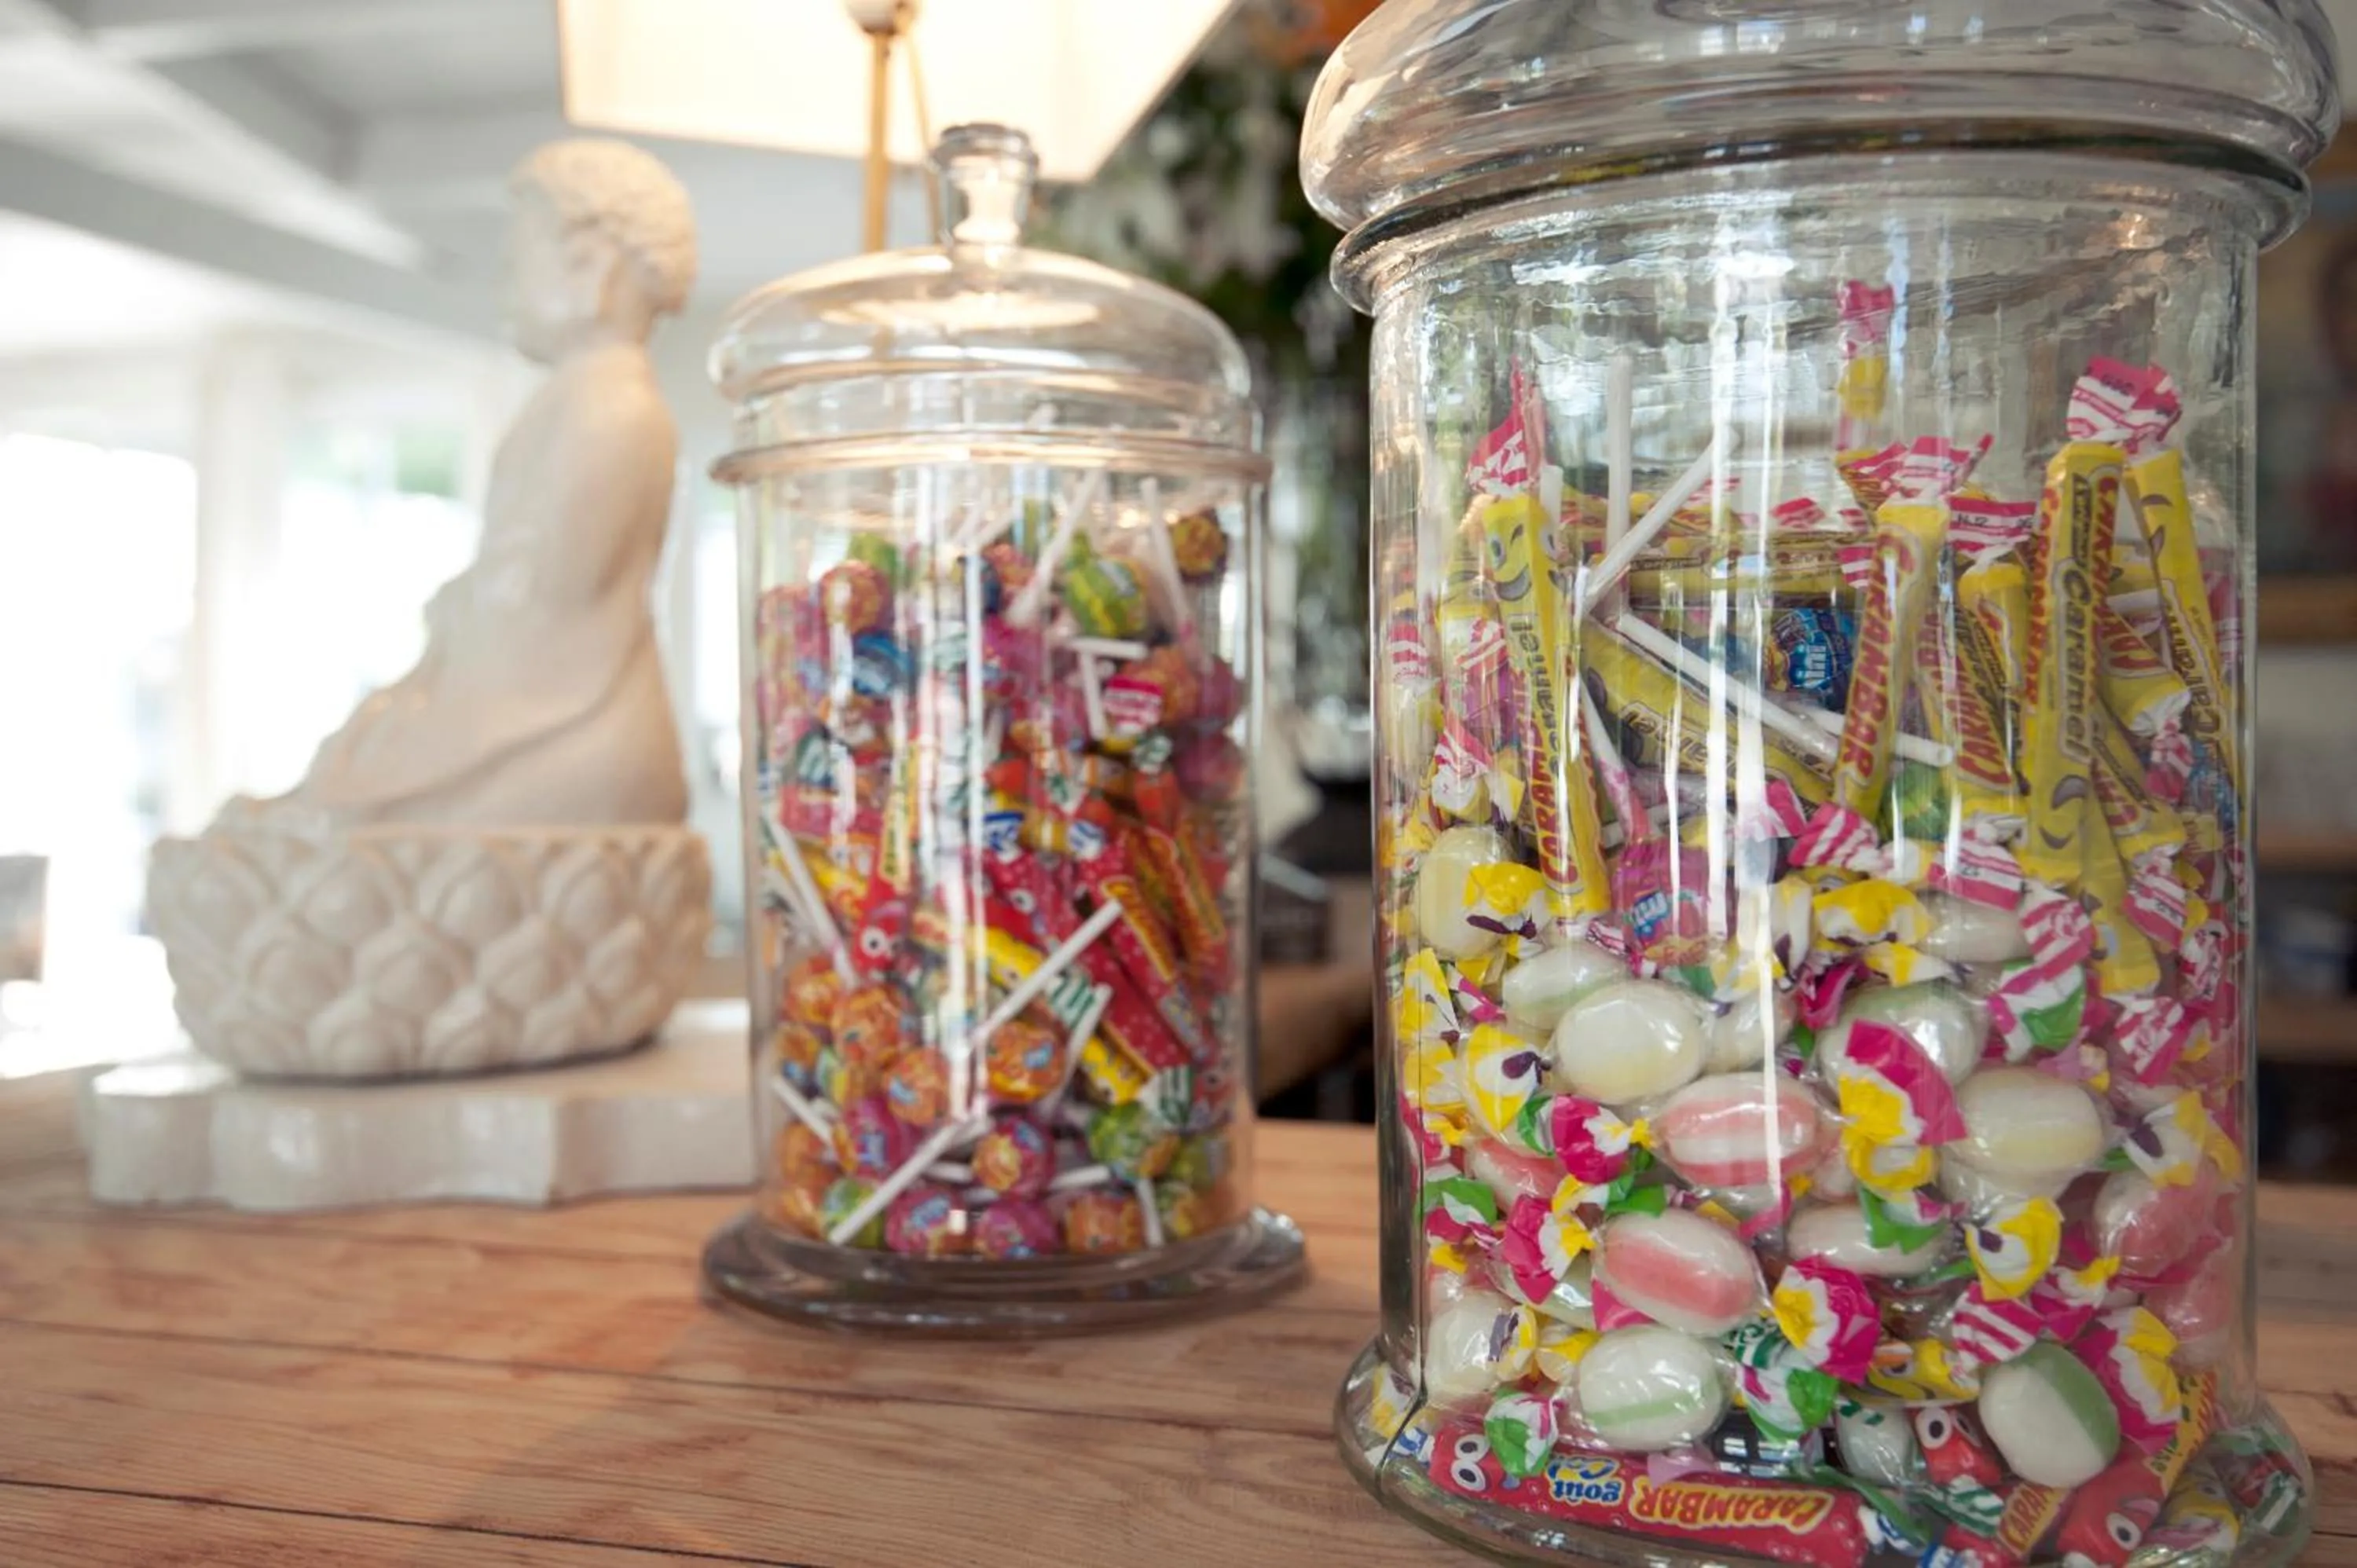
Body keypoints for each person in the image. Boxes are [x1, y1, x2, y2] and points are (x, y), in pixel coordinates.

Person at [251, 138, 697, 828]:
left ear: (591, 264)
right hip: (530, 692)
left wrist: (462, 612)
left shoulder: (614, 408)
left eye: (519, 262)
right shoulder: (581, 398)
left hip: (562, 723)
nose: (505, 284)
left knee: (334, 831)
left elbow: (547, 603)